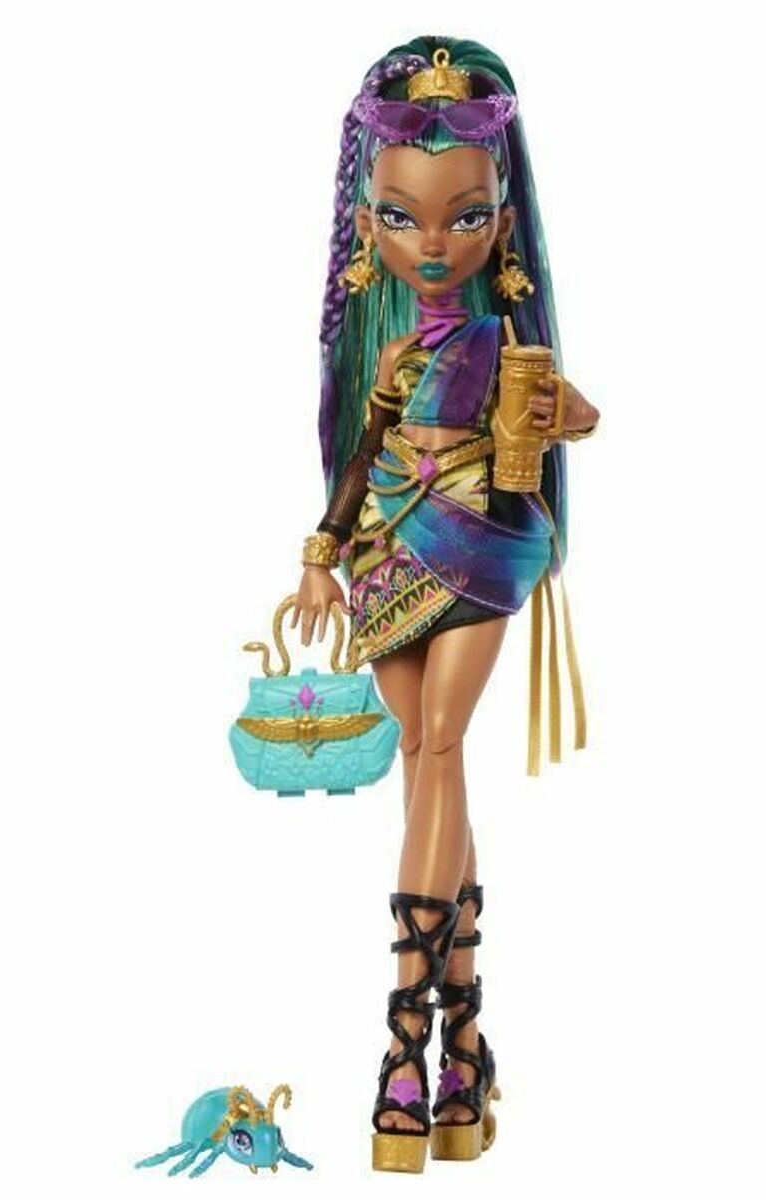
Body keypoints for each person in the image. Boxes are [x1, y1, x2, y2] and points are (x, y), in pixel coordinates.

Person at [291, 36, 600, 1173]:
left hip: (477, 538)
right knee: (429, 763)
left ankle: (401, 1045)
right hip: (384, 545)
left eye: (464, 218)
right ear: (367, 224)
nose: (433, 244)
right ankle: (464, 1045)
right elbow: (356, 451)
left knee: (436, 745)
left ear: (500, 221)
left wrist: (562, 415)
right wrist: (321, 552)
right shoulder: (384, 354)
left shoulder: (501, 340)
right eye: (402, 218)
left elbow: (577, 413)